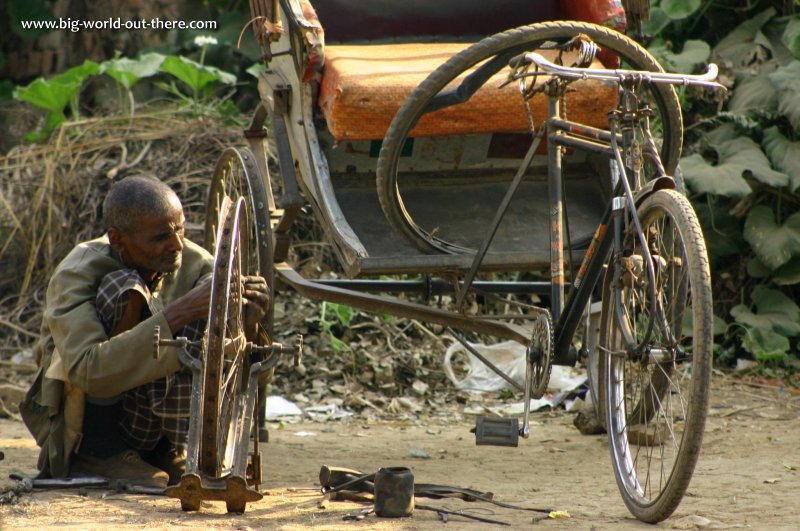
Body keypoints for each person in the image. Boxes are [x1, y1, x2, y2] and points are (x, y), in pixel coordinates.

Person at [20, 175, 270, 488]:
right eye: (160, 237)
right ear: (118, 240)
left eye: (180, 228)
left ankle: (167, 449)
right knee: (123, 288)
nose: (177, 244)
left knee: (212, 298)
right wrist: (181, 311)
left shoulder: (197, 264)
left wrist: (249, 322)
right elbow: (89, 370)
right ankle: (100, 451)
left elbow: (243, 369)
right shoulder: (77, 272)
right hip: (87, 423)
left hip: (156, 420)